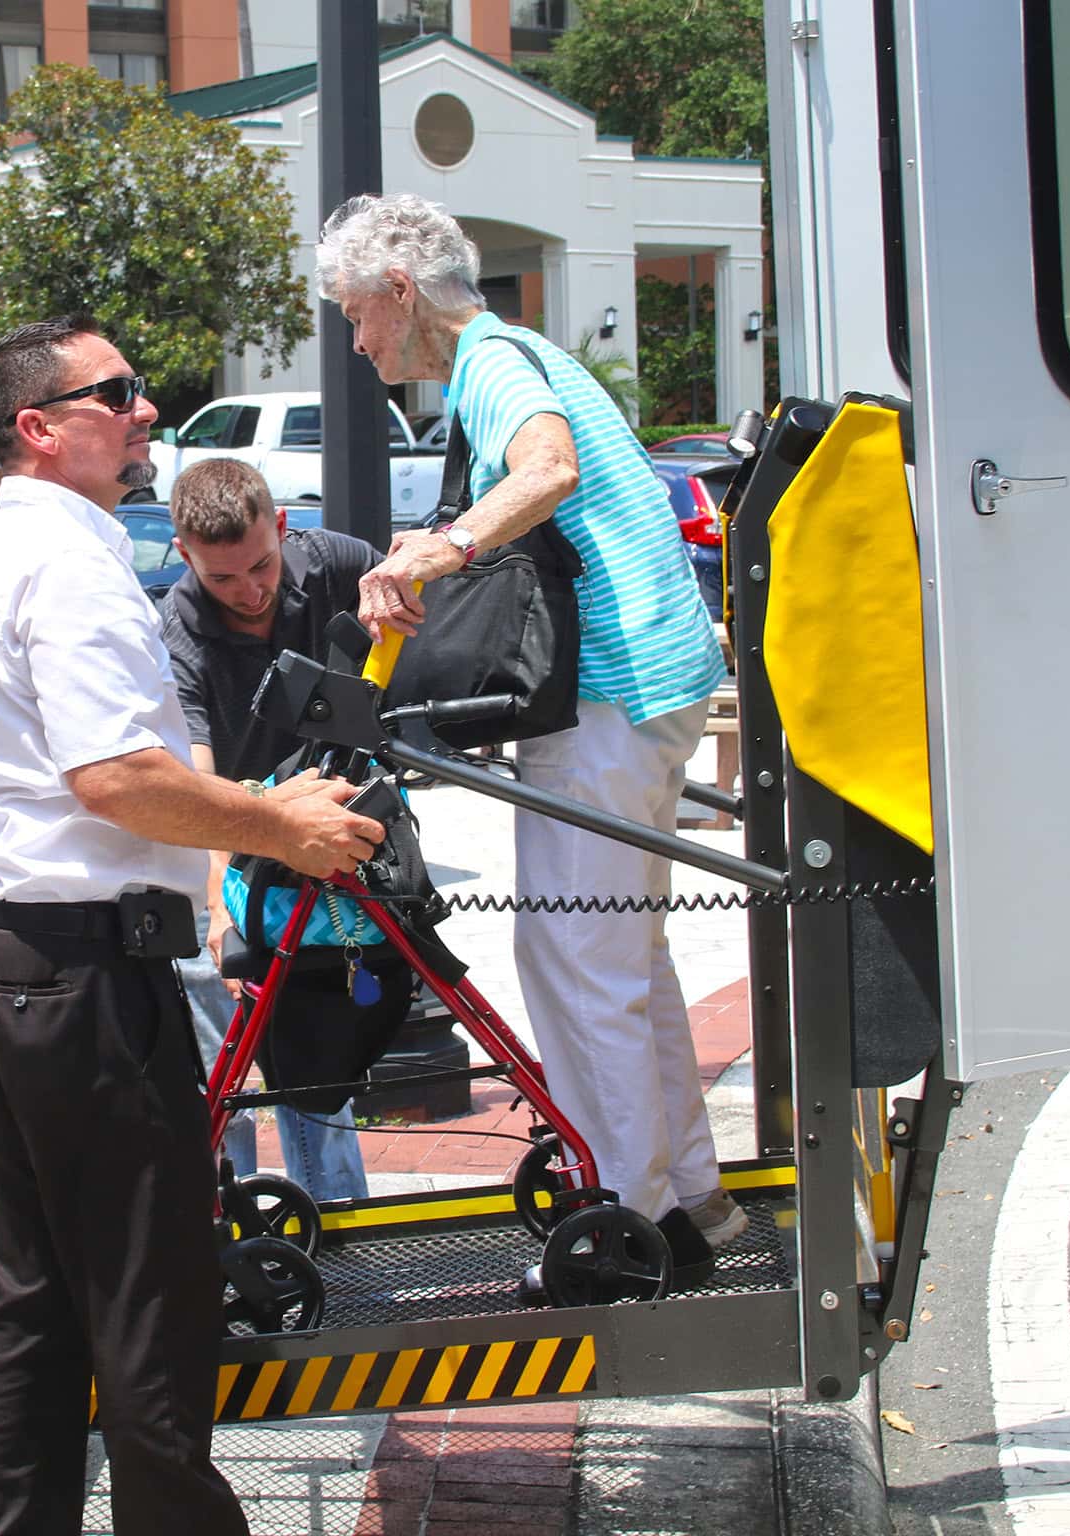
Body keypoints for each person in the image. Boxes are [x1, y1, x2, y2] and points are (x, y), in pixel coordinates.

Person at [0, 314, 385, 1536]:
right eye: (114, 392)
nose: (142, 409)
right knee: (150, 1297)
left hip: (10, 959)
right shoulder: (69, 562)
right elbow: (116, 775)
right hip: (79, 970)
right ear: (39, 427)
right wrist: (275, 823)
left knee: (34, 1298)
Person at [314, 193, 745, 1288]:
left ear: (401, 294)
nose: (357, 343)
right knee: (623, 957)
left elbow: (547, 470)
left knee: (571, 955)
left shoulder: (492, 366)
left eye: (357, 314)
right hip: (656, 679)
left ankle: (632, 1226)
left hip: (610, 695)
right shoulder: (521, 350)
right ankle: (690, 1197)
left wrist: (436, 551)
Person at [162, 458, 380, 1202]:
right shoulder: (177, 629)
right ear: (184, 552)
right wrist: (223, 904)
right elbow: (195, 780)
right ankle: (238, 1212)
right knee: (222, 1040)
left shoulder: (338, 563)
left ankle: (338, 1213)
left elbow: (413, 610)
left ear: (283, 527)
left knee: (308, 1041)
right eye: (223, 579)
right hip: (223, 831)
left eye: (261, 565)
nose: (250, 592)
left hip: (316, 832)